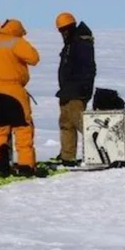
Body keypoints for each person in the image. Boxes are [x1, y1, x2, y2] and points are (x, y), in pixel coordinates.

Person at [0, 18, 43, 177]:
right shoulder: (16, 42)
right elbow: (34, 58)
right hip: (14, 91)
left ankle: (1, 165)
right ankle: (26, 165)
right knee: (23, 128)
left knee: (0, 129)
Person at [54, 11, 96, 166]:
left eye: (65, 29)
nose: (63, 33)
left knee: (79, 122)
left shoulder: (81, 43)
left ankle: (103, 147)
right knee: (66, 123)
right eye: (61, 30)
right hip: (67, 90)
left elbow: (88, 68)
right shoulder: (71, 43)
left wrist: (82, 88)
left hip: (76, 90)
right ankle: (67, 155)